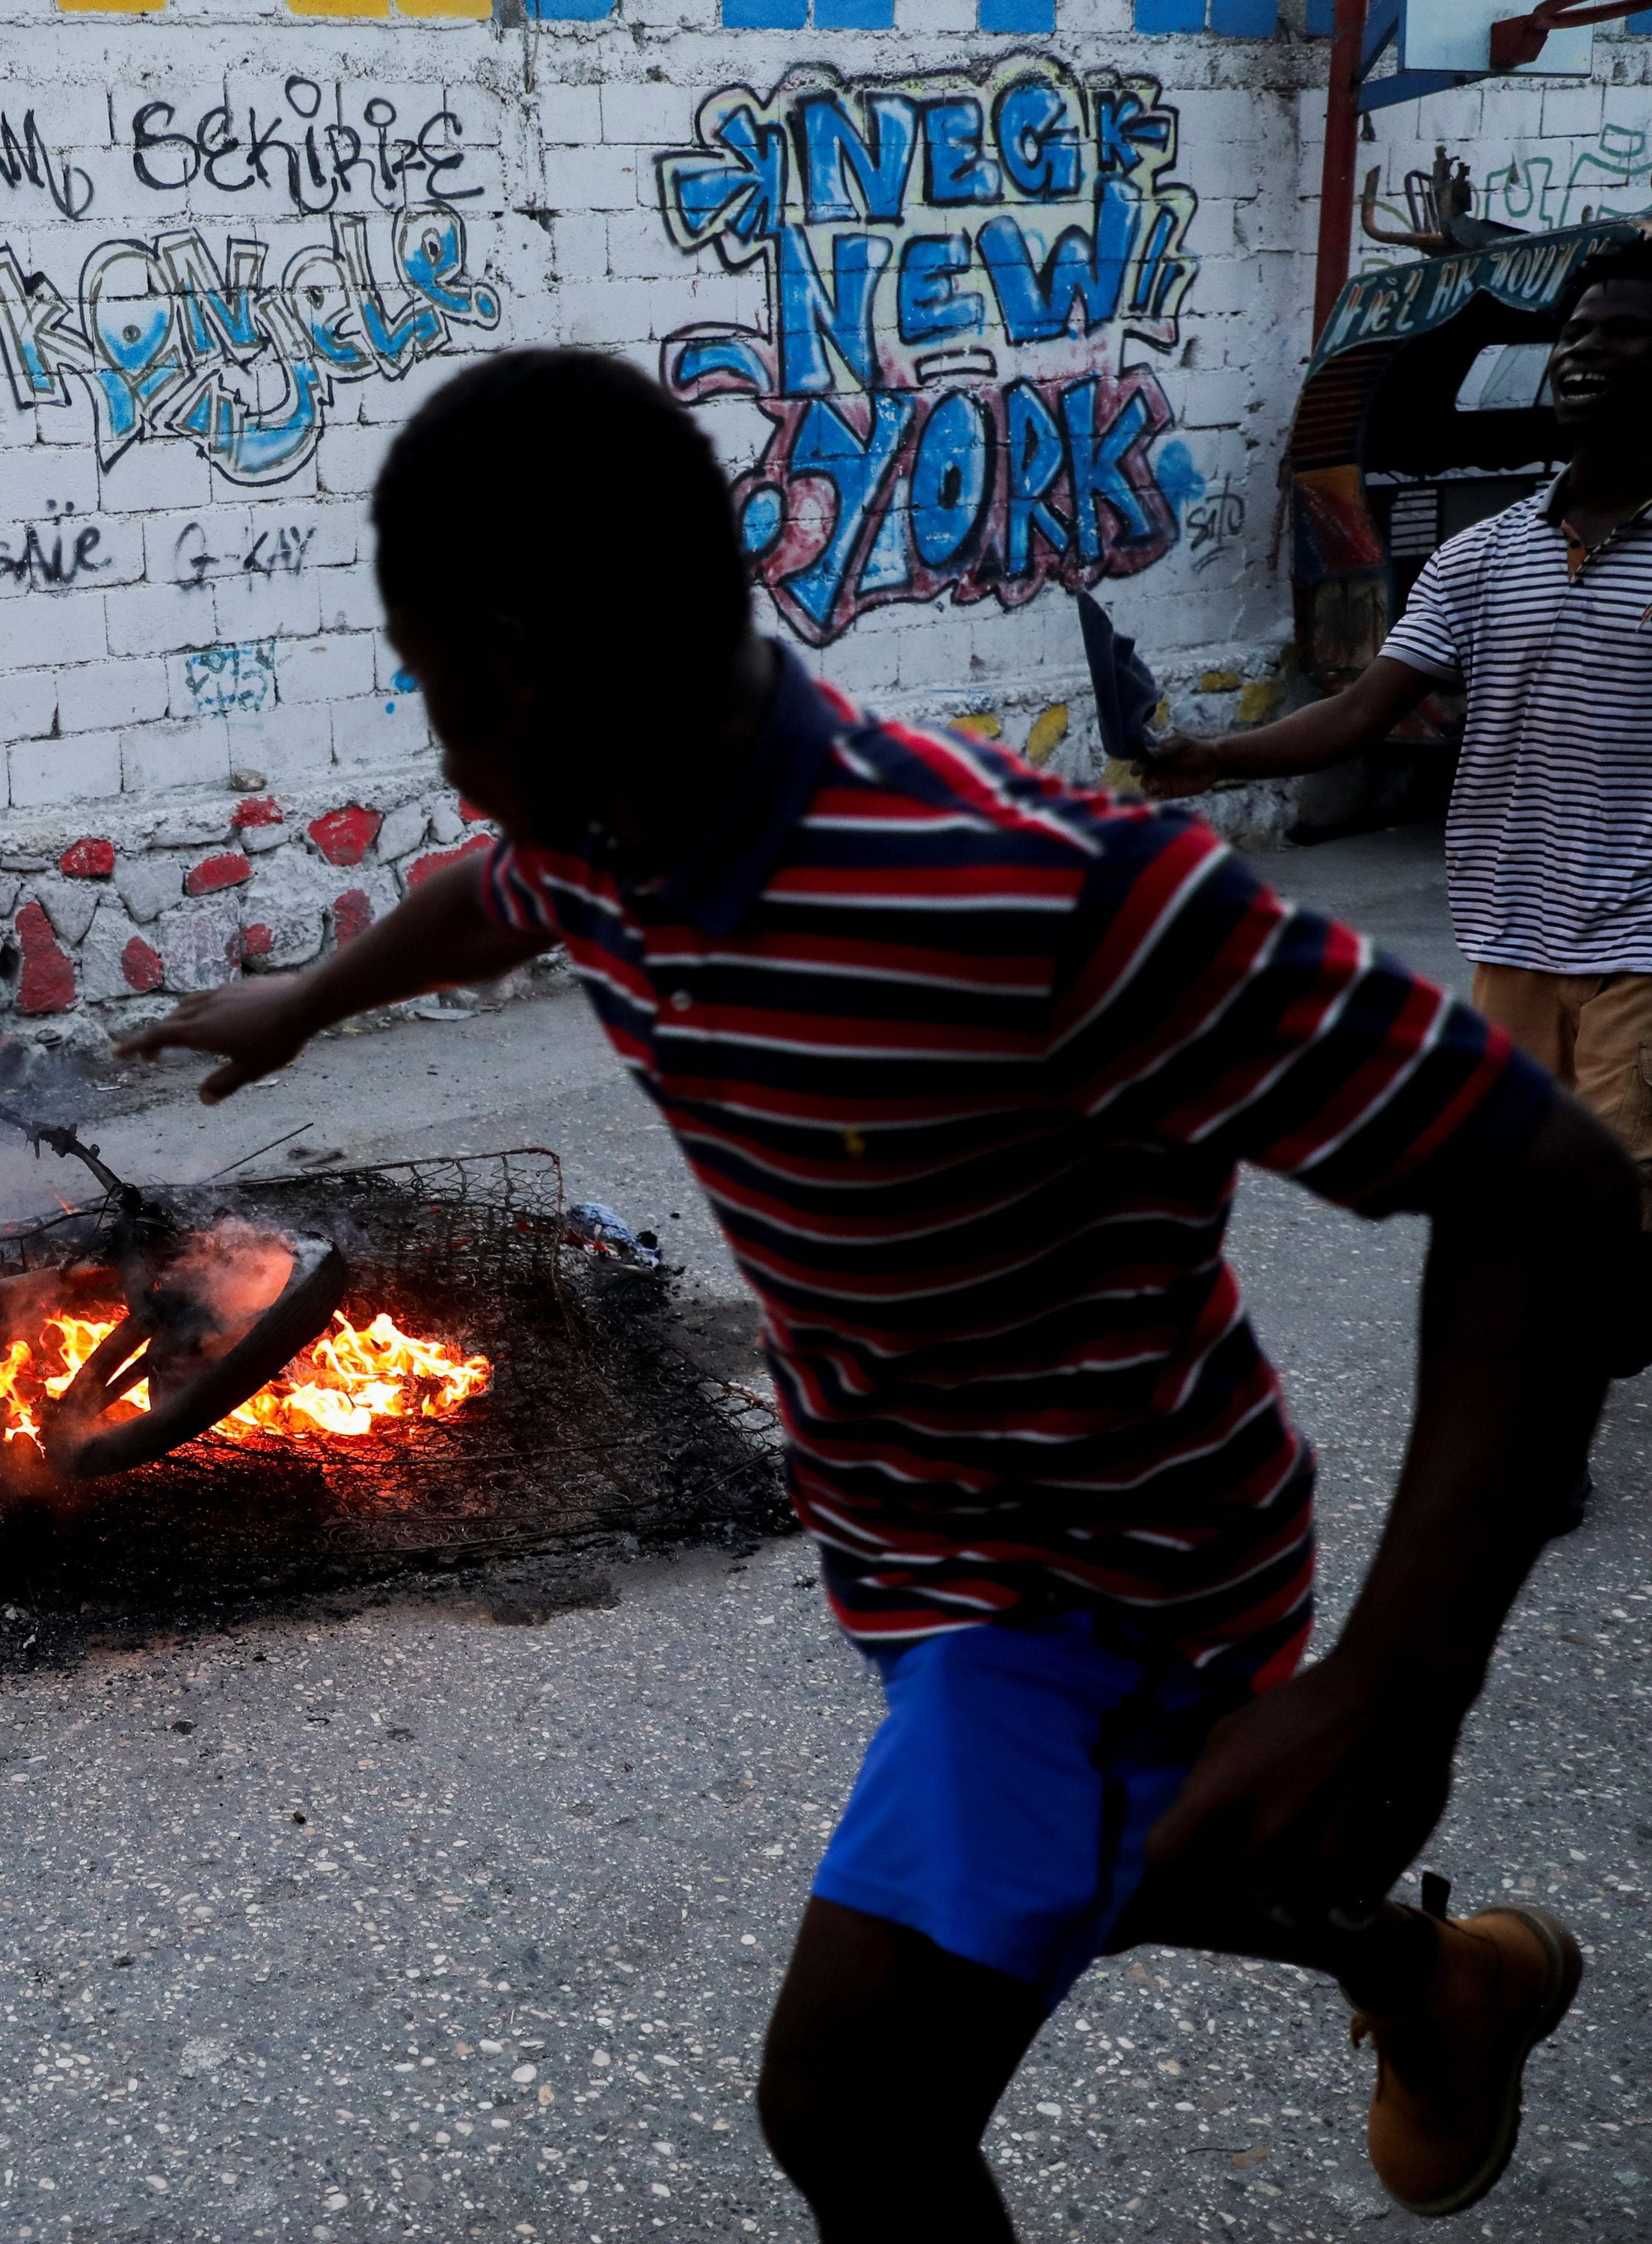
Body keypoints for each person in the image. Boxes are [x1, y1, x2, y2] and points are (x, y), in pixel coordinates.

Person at [112, 347, 1629, 2239]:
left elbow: (1548, 1189)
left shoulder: (1043, 897)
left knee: (850, 2104)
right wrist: (304, 1001)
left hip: (1092, 1590)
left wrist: (1401, 1688)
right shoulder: (610, 820)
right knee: (1132, 1865)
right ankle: (1445, 1981)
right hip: (905, 1539)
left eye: (435, 683)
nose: (436, 739)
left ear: (531, 662)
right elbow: (500, 889)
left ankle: (1422, 1965)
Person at [1146, 236, 1652, 1211]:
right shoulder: (1485, 555)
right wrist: (1215, 758)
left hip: (1640, 943)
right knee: (1522, 1187)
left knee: (1617, 1189)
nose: (1585, 351)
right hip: (1513, 932)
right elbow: (1362, 708)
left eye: (1625, 333)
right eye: (1576, 333)